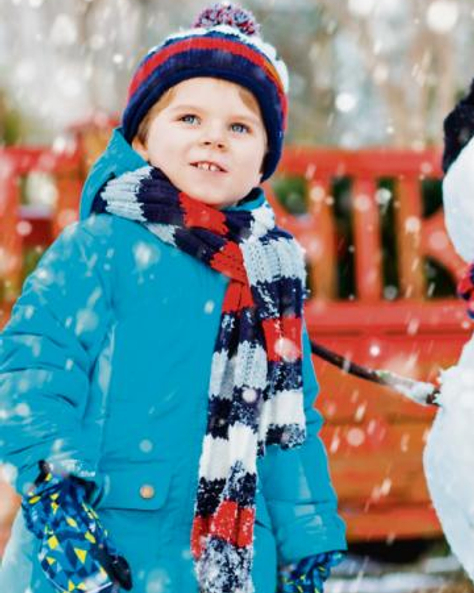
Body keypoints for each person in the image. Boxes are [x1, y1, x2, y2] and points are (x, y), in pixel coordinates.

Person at [0, 4, 346, 593]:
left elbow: (290, 428)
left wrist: (308, 538)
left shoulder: (271, 274)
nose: (214, 135)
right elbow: (34, 368)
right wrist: (51, 486)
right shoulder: (100, 247)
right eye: (189, 117)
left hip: (235, 563)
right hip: (100, 551)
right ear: (141, 137)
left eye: (240, 127)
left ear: (264, 158)